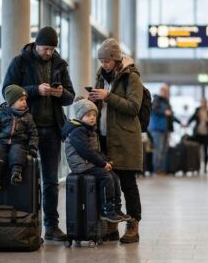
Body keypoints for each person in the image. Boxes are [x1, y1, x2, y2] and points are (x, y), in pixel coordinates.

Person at [2, 26, 75, 241]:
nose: (49, 53)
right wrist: (35, 90)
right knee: (25, 179)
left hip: (52, 129)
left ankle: (51, 226)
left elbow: (70, 96)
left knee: (51, 181)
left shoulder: (59, 65)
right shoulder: (20, 62)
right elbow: (7, 90)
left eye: (52, 49)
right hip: (25, 129)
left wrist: (61, 94)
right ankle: (26, 224)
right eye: (46, 48)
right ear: (36, 44)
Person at [89, 38, 143, 243]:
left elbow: (133, 107)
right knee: (109, 183)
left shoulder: (132, 77)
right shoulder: (101, 76)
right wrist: (91, 100)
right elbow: (100, 104)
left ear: (116, 59)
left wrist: (107, 96)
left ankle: (133, 225)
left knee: (128, 184)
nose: (103, 64)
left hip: (125, 138)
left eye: (106, 61)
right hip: (103, 137)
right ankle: (112, 226)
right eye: (101, 61)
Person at [62, 97, 129, 222]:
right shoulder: (77, 131)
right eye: (88, 115)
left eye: (94, 114)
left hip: (88, 163)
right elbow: (85, 151)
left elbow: (95, 151)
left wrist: (106, 160)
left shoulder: (89, 129)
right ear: (80, 116)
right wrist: (102, 163)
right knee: (106, 177)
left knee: (114, 176)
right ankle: (106, 210)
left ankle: (115, 208)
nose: (92, 117)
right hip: (81, 166)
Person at [0, 85, 38, 189]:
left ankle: (16, 173)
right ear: (12, 102)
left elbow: (33, 134)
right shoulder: (1, 115)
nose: (24, 102)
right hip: (1, 143)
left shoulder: (28, 117)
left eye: (25, 100)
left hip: (19, 142)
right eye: (21, 100)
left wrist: (32, 147)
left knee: (17, 151)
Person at [149, 84, 173, 174]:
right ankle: (157, 169)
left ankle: (162, 169)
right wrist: (164, 112)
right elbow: (153, 109)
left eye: (167, 91)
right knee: (158, 150)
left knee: (164, 150)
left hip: (165, 129)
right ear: (162, 91)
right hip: (157, 129)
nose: (166, 93)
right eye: (165, 91)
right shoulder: (156, 99)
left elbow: (170, 114)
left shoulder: (166, 101)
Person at [187, 98, 208, 173]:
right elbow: (192, 118)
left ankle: (205, 167)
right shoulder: (198, 110)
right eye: (202, 103)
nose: (203, 104)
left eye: (205, 103)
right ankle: (197, 167)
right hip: (198, 133)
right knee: (197, 151)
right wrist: (187, 124)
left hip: (206, 134)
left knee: (205, 151)